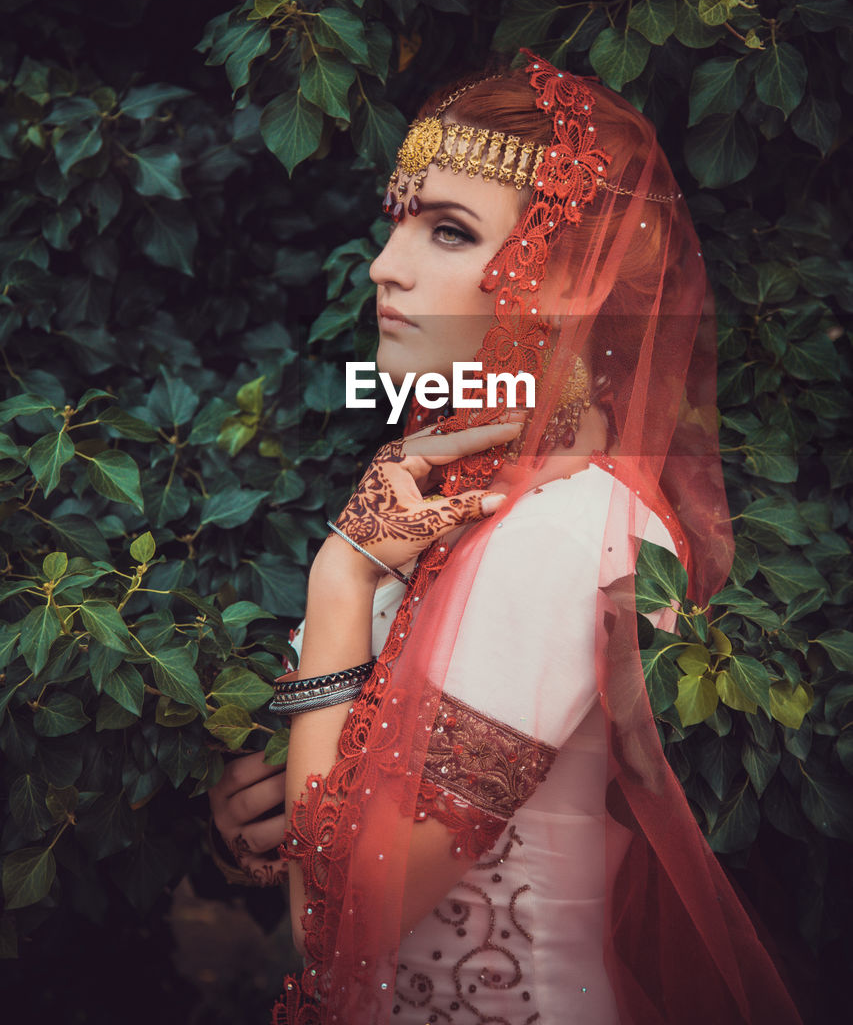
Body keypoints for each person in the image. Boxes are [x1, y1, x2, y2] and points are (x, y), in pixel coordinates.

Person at [209, 53, 804, 1024]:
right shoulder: (469, 494)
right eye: (400, 217)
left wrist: (338, 577)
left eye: (447, 230)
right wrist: (262, 809)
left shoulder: (564, 536)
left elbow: (339, 922)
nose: (385, 265)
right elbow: (337, 800)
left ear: (571, 278)